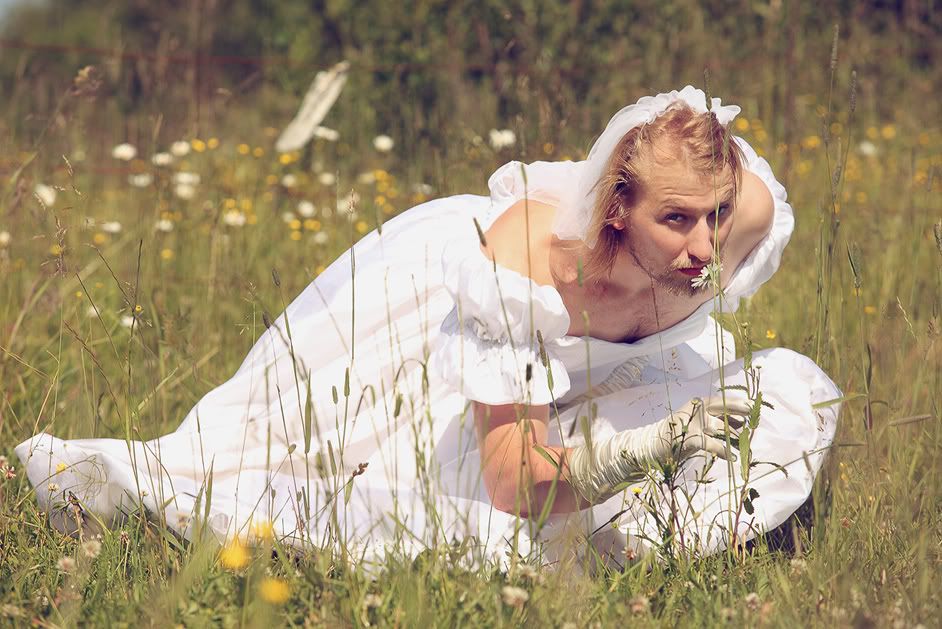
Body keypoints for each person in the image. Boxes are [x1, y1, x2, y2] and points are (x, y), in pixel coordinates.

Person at [15, 86, 840, 567]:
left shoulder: (745, 213)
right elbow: (515, 482)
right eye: (677, 220)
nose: (704, 251)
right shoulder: (518, 277)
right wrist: (646, 448)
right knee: (321, 470)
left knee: (774, 403)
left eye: (715, 215)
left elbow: (716, 205)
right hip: (415, 316)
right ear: (617, 211)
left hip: (572, 348)